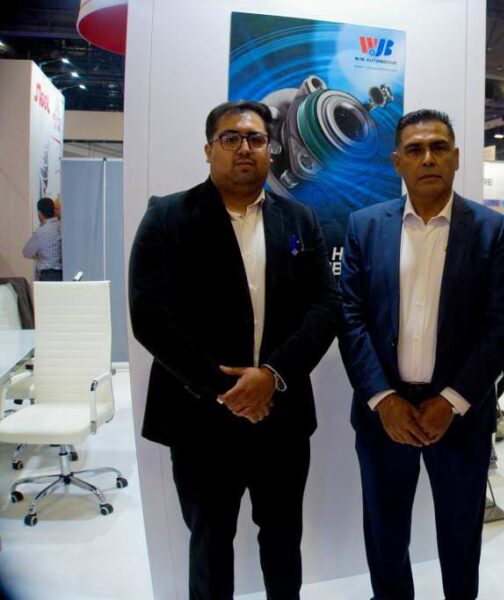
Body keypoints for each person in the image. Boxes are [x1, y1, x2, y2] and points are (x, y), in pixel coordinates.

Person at [129, 100, 341, 600]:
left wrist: (273, 375)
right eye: (231, 138)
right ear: (209, 150)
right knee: (209, 544)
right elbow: (150, 317)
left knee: (283, 541)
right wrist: (227, 388)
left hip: (281, 417)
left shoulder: (301, 220)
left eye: (256, 138)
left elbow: (326, 305)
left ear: (271, 149)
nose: (244, 148)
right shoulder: (167, 216)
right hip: (199, 418)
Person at [339, 109, 504, 600]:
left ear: (456, 157)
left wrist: (452, 401)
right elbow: (350, 319)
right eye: (415, 150)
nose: (428, 158)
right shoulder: (364, 227)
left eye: (438, 147)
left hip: (460, 417)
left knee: (460, 538)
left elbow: (499, 325)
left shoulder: (489, 229)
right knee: (386, 537)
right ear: (398, 162)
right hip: (383, 417)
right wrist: (383, 399)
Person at [22, 197, 62, 281]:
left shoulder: (40, 232)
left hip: (47, 275)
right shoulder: (62, 227)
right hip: (63, 274)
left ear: (40, 213)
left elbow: (26, 252)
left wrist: (39, 256)